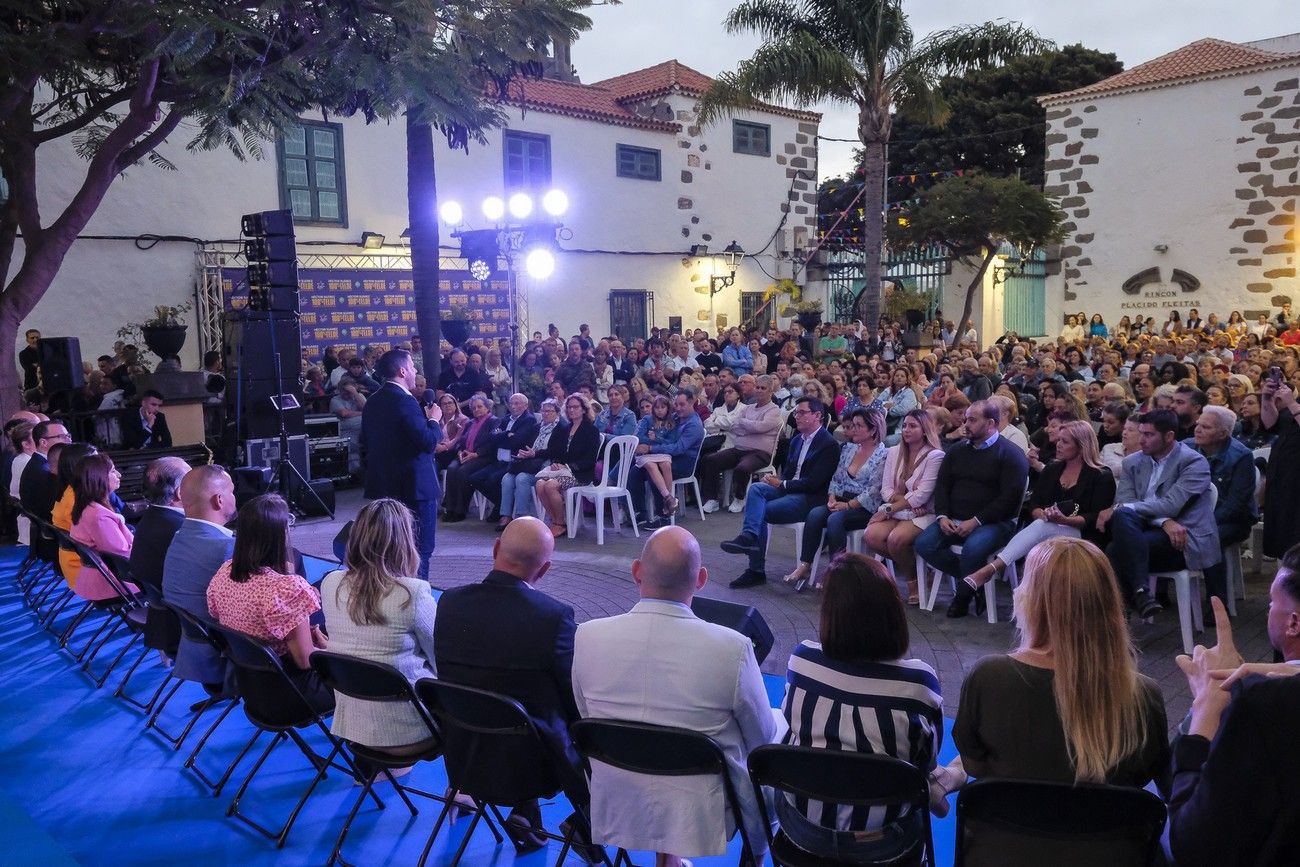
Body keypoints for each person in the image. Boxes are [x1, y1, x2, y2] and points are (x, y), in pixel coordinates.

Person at [572, 526, 777, 865]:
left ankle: (669, 858)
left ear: (637, 571)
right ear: (701, 579)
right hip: (700, 814)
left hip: (619, 800)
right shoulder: (732, 648)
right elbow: (763, 739)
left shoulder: (587, 637)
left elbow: (588, 719)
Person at [954, 541, 1169, 843]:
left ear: (1033, 601)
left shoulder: (988, 677)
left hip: (1007, 850)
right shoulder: (1143, 694)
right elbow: (1148, 776)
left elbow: (972, 761)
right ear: (1109, 605)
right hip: (1108, 852)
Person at [435, 517, 598, 855]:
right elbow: (574, 699)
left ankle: (527, 813)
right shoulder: (553, 616)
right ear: (545, 569)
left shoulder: (449, 603)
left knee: (512, 702)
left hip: (464, 754)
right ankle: (587, 825)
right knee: (576, 719)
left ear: (495, 549)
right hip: (535, 765)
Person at [781, 555, 944, 861]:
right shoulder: (919, 686)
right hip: (881, 844)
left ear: (830, 614)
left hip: (804, 832)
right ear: (893, 612)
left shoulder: (801, 661)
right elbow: (926, 763)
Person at [1165, 546, 1300, 865]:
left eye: (1271, 602)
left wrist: (1205, 706)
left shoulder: (1262, 705)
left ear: (1293, 623)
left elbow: (1191, 844)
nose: (1268, 609)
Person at [320, 499, 438, 755]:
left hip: (353, 730)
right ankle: (459, 789)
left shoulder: (330, 583)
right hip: (410, 732)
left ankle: (370, 773)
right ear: (405, 541)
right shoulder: (413, 593)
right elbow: (443, 661)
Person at [961, 421, 1116, 603]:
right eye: (1058, 440)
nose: (1057, 444)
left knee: (1043, 528)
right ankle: (1028, 601)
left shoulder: (1101, 475)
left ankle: (991, 569)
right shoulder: (1053, 468)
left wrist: (1063, 520)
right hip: (1048, 528)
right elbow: (1035, 503)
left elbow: (1094, 517)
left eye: (1064, 442)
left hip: (1083, 534)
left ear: (1082, 446)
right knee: (1043, 527)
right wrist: (1040, 513)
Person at [206, 494, 332, 714]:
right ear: (279, 534)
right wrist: (336, 650)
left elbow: (217, 614)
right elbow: (305, 661)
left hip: (252, 688)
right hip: (294, 693)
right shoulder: (285, 590)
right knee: (363, 671)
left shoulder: (224, 572)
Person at [913, 400, 1029, 618]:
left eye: (973, 420)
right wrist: (942, 516)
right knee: (924, 544)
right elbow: (943, 486)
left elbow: (1009, 499)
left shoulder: (1010, 454)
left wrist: (976, 521)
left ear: (991, 423)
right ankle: (975, 582)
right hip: (954, 518)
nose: (966, 424)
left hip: (996, 522)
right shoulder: (957, 451)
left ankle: (962, 598)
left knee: (972, 549)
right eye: (965, 418)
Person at [1100, 409, 1219, 618]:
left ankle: (1119, 617)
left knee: (1115, 547)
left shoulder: (1193, 462)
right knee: (1122, 522)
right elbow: (1125, 502)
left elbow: (1171, 505)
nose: (1142, 440)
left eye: (1149, 435)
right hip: (1144, 532)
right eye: (1141, 433)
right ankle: (1140, 594)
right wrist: (1163, 522)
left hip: (1184, 538)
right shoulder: (1132, 462)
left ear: (1169, 436)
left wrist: (1159, 517)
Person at [721, 396, 839, 589]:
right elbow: (790, 473)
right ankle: (749, 536)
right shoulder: (797, 440)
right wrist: (775, 482)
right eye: (796, 413)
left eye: (802, 413)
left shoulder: (828, 444)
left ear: (817, 415)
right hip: (790, 489)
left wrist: (782, 484)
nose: (797, 417)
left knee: (764, 511)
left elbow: (815, 484)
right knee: (757, 488)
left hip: (810, 498)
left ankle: (755, 569)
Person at [781, 407, 887, 590]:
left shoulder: (883, 454)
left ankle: (837, 572)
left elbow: (874, 491)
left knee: (835, 519)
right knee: (815, 514)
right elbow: (837, 477)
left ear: (873, 430)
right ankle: (805, 564)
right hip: (840, 499)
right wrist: (831, 497)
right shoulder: (849, 449)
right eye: (852, 425)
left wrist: (847, 505)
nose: (852, 430)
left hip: (865, 506)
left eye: (858, 426)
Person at [361, 349, 443, 581]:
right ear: (402, 371)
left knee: (388, 550)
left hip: (384, 487)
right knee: (420, 550)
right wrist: (434, 421)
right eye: (413, 367)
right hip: (415, 488)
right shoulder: (406, 401)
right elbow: (427, 442)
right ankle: (418, 604)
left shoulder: (373, 401)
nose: (416, 371)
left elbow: (365, 442)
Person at [163, 464, 239, 690]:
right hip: (232, 664)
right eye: (231, 491)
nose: (235, 497)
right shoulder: (227, 548)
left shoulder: (179, 537)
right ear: (219, 500)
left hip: (194, 653)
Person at [865, 409, 946, 604]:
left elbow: (924, 495)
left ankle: (912, 582)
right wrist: (905, 501)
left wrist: (890, 508)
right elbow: (886, 489)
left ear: (925, 430)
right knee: (871, 536)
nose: (906, 430)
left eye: (912, 426)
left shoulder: (935, 456)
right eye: (904, 425)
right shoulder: (894, 452)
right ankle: (919, 571)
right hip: (905, 508)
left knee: (896, 540)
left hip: (924, 512)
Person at [1187, 405, 1257, 606]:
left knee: (1211, 538)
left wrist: (1203, 523)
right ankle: (1160, 593)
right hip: (1194, 517)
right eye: (1198, 424)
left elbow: (1236, 503)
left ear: (1223, 433)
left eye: (1206, 427)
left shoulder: (1241, 456)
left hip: (1234, 520)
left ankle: (1217, 603)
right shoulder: (1187, 447)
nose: (1197, 430)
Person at [128, 456, 190, 657]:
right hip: (186, 627)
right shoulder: (182, 531)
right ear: (180, 492)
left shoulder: (150, 518)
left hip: (161, 617)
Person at [698, 375, 783, 513]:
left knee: (742, 468)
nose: (759, 390)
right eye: (758, 387)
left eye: (763, 388)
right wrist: (751, 427)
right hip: (739, 448)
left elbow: (760, 427)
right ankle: (712, 499)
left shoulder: (774, 410)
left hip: (760, 453)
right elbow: (735, 426)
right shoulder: (747, 408)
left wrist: (746, 424)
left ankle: (739, 498)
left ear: (770, 391)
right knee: (711, 460)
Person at [627, 390, 705, 530]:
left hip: (683, 462)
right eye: (676, 404)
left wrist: (650, 448)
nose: (678, 408)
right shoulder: (675, 417)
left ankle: (664, 516)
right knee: (634, 471)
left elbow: (678, 448)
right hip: (665, 457)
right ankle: (641, 513)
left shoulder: (694, 425)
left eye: (682, 404)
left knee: (651, 474)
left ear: (692, 402)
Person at [68, 454, 138, 601]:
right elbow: (123, 554)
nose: (118, 474)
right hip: (112, 583)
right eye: (112, 471)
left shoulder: (87, 506)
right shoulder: (99, 516)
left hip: (99, 578)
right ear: (98, 478)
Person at [535, 393, 601, 538]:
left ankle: (560, 524)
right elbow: (557, 452)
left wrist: (568, 467)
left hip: (581, 473)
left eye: (576, 407)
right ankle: (557, 521)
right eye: (569, 407)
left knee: (551, 485)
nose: (572, 410)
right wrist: (556, 464)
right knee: (540, 484)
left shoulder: (591, 430)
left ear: (584, 409)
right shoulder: (564, 429)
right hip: (563, 470)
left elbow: (589, 459)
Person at [468, 393, 539, 521]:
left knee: (492, 479)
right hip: (498, 460)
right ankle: (501, 505)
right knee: (474, 478)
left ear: (525, 405)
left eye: (517, 403)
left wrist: (502, 436)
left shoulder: (529, 419)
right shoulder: (505, 419)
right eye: (511, 403)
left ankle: (502, 511)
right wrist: (507, 434)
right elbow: (491, 437)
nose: (513, 406)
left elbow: (517, 441)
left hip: (513, 462)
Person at [498, 398, 565, 530]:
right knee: (507, 478)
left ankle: (521, 518)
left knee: (522, 478)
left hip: (547, 466)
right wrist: (523, 453)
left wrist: (535, 454)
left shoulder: (561, 428)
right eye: (543, 411)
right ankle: (505, 516)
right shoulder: (537, 427)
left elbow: (556, 451)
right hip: (530, 463)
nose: (545, 414)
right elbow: (527, 446)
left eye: (549, 411)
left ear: (557, 413)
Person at [440, 394, 499, 523]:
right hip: (465, 454)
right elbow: (461, 440)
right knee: (451, 468)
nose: (476, 410)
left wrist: (476, 454)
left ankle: (460, 510)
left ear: (487, 407)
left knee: (463, 472)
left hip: (483, 457)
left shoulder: (494, 421)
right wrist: (460, 451)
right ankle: (450, 508)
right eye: (474, 408)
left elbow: (493, 443)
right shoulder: (470, 422)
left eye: (480, 407)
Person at [1259, 378, 1300, 558]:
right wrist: (1267, 399)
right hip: (1283, 474)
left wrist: (1291, 403)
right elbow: (1270, 424)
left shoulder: (1294, 404)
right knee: (1283, 534)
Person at [330, 380, 366, 473]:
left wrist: (355, 393)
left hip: (361, 430)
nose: (346, 393)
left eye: (348, 391)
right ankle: (354, 473)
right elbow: (344, 413)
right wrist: (362, 414)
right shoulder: (335, 399)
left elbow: (367, 409)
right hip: (345, 429)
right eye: (344, 390)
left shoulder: (358, 396)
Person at [1102, 413, 1142, 478]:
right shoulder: (1109, 448)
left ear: (1142, 434)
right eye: (1124, 429)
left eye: (1130, 430)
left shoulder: (1149, 457)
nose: (1124, 433)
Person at [18, 328, 41, 392]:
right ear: (27, 340)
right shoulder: (23, 354)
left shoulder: (46, 352)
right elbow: (28, 368)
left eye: (37, 337)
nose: (35, 340)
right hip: (31, 387)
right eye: (32, 338)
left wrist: (36, 365)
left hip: (47, 386)